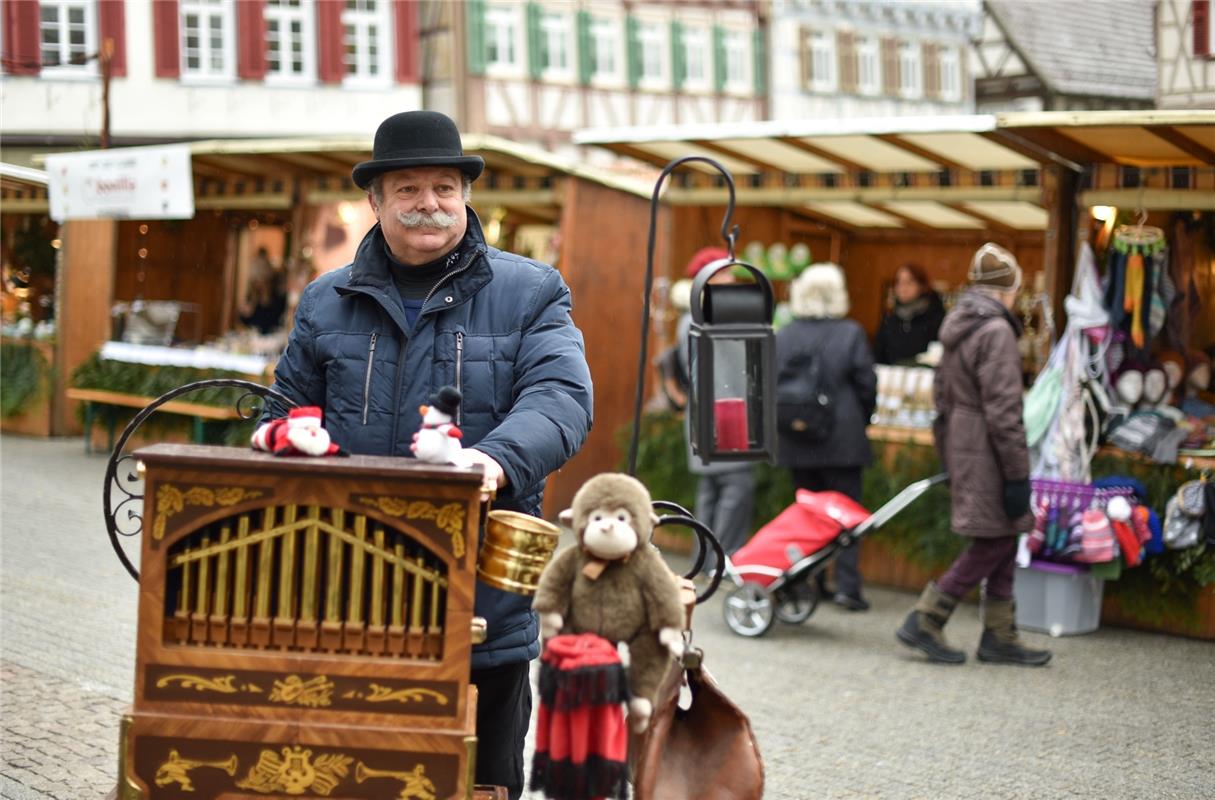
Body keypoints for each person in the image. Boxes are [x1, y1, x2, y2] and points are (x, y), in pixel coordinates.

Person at [266, 110, 593, 798]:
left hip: (479, 603)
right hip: (346, 601)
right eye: (408, 189)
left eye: (444, 187)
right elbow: (285, 408)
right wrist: (287, 440)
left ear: (465, 196)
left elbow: (561, 399)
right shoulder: (326, 300)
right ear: (376, 202)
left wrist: (494, 458)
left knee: (476, 783)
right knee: (348, 778)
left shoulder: (530, 291)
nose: (429, 204)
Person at [896, 243, 1051, 667]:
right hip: (988, 447)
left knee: (1003, 530)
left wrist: (948, 450)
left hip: (966, 443)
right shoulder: (997, 332)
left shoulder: (958, 324)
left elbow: (941, 397)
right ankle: (927, 617)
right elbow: (1004, 412)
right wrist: (1018, 475)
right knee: (996, 537)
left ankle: (999, 635)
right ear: (1008, 290)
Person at [775, 263, 876, 611]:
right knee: (847, 514)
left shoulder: (784, 334)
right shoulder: (851, 333)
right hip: (842, 439)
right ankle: (848, 587)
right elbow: (867, 384)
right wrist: (863, 418)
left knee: (807, 514)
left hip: (796, 438)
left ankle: (808, 581)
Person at [675, 247, 756, 574]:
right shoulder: (714, 315)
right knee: (736, 488)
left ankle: (704, 558)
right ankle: (722, 560)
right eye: (726, 273)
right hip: (729, 414)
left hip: (705, 414)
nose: (732, 279)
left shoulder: (690, 317)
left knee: (710, 490)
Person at [873, 263, 945, 365]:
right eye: (899, 282)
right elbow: (878, 356)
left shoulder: (936, 317)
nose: (903, 288)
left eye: (909, 282)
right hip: (891, 378)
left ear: (922, 286)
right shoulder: (889, 320)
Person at [238, 247, 288, 333]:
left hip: (273, 340)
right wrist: (244, 314)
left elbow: (275, 322)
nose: (257, 285)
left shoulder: (278, 295)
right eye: (255, 281)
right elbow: (245, 321)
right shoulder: (253, 295)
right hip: (255, 340)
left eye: (259, 280)